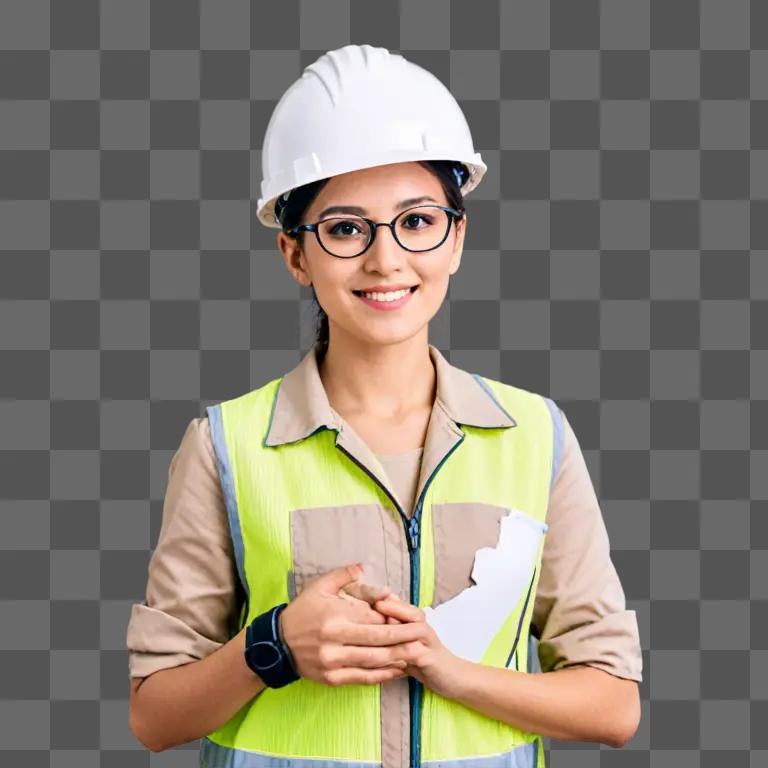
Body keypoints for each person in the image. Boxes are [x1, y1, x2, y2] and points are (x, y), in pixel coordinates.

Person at [127, 44, 642, 766]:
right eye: (344, 228)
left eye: (418, 220)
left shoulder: (536, 437)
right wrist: (270, 646)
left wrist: (451, 671)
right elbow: (154, 715)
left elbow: (614, 704)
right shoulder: (226, 446)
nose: (386, 259)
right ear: (295, 255)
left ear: (457, 237)